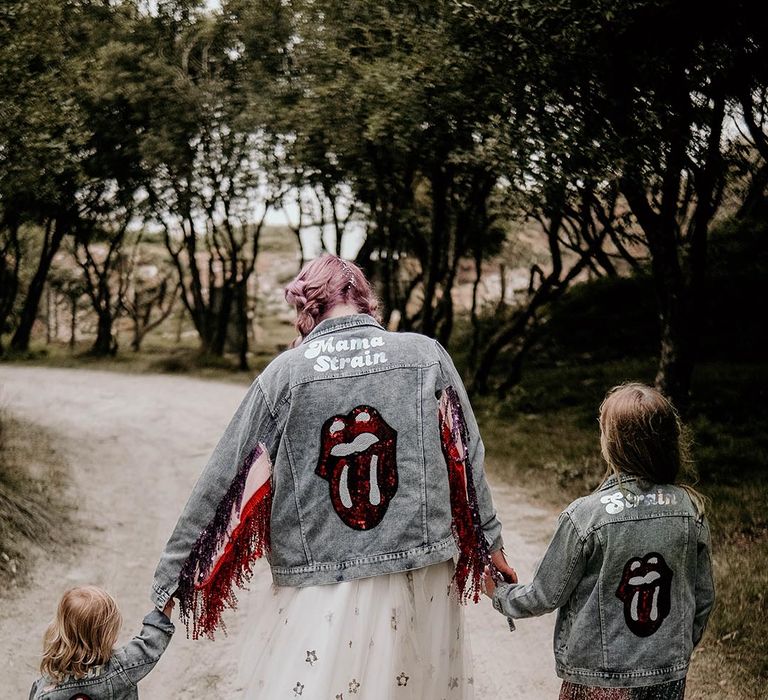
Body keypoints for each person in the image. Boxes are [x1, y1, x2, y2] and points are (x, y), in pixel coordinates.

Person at [151, 254, 515, 699]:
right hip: (421, 573)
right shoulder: (424, 354)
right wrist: (489, 543)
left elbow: (224, 479)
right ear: (365, 302)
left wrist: (171, 581)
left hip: (322, 582)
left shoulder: (286, 373)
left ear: (308, 309)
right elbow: (465, 453)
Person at [484, 383, 715, 699]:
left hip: (599, 679)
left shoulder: (586, 516)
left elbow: (544, 594)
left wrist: (501, 594)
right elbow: (702, 597)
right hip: (667, 675)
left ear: (613, 444)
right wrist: (678, 649)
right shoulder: (690, 509)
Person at [29, 585, 175, 700]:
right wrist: (165, 607)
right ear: (108, 637)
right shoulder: (120, 669)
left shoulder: (46, 689)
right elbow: (150, 645)